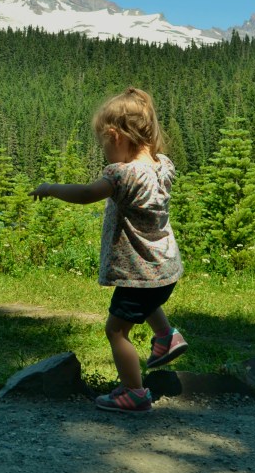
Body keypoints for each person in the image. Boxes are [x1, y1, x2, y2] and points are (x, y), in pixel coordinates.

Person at [31, 87, 187, 413]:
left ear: (115, 136)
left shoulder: (123, 174)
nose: (103, 150)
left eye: (103, 143)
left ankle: (134, 392)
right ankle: (166, 336)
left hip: (141, 270)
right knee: (145, 296)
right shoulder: (163, 166)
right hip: (164, 269)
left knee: (116, 330)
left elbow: (88, 192)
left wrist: (51, 189)